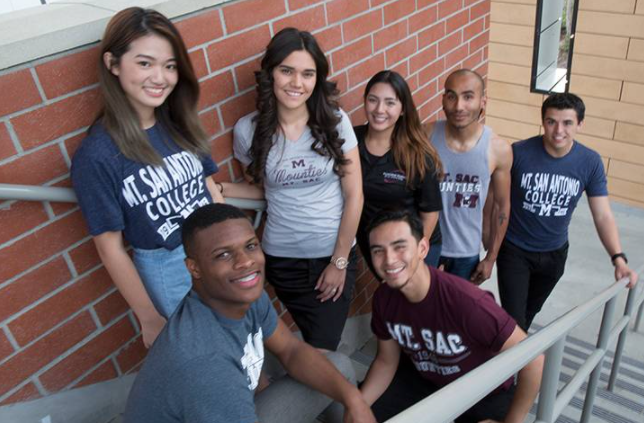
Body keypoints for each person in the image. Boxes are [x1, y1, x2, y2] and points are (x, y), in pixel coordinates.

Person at [122, 203, 375, 423]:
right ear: (194, 268)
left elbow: (291, 349)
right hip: (217, 401)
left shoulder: (237, 294)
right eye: (223, 254)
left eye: (250, 246)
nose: (245, 262)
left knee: (337, 369)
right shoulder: (204, 363)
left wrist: (356, 401)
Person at [71, 8, 224, 348]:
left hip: (217, 247)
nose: (160, 77)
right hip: (170, 267)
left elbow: (209, 187)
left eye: (169, 66)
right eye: (145, 63)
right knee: (206, 354)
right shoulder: (96, 156)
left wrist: (231, 244)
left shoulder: (178, 123)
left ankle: (263, 389)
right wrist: (149, 317)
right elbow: (110, 248)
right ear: (113, 64)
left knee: (242, 336)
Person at [229, 27, 363, 351]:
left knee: (324, 348)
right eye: (286, 70)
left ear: (317, 79)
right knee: (313, 343)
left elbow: (354, 194)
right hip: (282, 260)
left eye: (307, 73)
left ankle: (338, 397)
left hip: (333, 256)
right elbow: (266, 192)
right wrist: (220, 189)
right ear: (270, 73)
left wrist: (339, 262)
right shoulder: (248, 131)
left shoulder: (334, 120)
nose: (296, 83)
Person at [359, 209, 543, 423]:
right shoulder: (384, 297)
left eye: (399, 247)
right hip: (425, 379)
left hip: (482, 393)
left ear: (422, 248)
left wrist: (513, 421)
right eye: (378, 251)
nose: (389, 260)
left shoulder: (467, 302)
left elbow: (534, 360)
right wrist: (358, 404)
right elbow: (386, 362)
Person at [496, 93, 639, 331]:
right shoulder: (519, 153)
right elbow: (497, 202)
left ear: (580, 124)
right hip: (515, 251)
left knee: (529, 312)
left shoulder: (589, 162)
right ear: (543, 122)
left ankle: (514, 356)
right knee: (513, 319)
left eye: (567, 123)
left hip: (554, 255)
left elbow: (602, 214)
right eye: (551, 121)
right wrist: (490, 250)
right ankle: (510, 362)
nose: (558, 130)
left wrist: (618, 258)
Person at [426, 69, 512, 284]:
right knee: (423, 313)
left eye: (468, 97)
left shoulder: (498, 149)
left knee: (457, 314)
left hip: (466, 254)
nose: (458, 106)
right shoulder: (425, 136)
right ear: (443, 100)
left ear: (483, 101)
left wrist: (491, 258)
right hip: (426, 246)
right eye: (452, 96)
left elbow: (502, 207)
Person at [354, 70, 443, 271]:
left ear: (403, 109)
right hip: (376, 243)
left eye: (390, 103)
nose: (379, 109)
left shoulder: (417, 154)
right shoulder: (350, 141)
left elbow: (430, 213)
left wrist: (416, 254)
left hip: (415, 244)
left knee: (415, 300)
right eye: (373, 100)